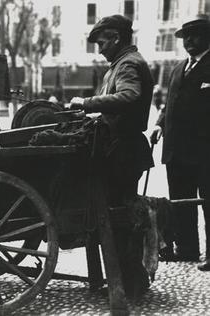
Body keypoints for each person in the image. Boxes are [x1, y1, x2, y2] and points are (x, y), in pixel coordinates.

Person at [70, 14, 154, 297]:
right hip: (119, 148)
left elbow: (129, 96)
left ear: (116, 37)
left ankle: (130, 285)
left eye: (103, 41)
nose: (101, 48)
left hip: (123, 151)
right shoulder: (120, 64)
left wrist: (87, 103)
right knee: (118, 218)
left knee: (120, 219)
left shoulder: (128, 64)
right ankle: (127, 281)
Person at [150, 15, 210, 271]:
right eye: (186, 37)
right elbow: (169, 104)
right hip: (176, 150)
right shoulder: (177, 68)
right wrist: (159, 124)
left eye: (195, 36)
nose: (189, 42)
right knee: (180, 200)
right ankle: (186, 248)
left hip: (205, 150)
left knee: (208, 201)